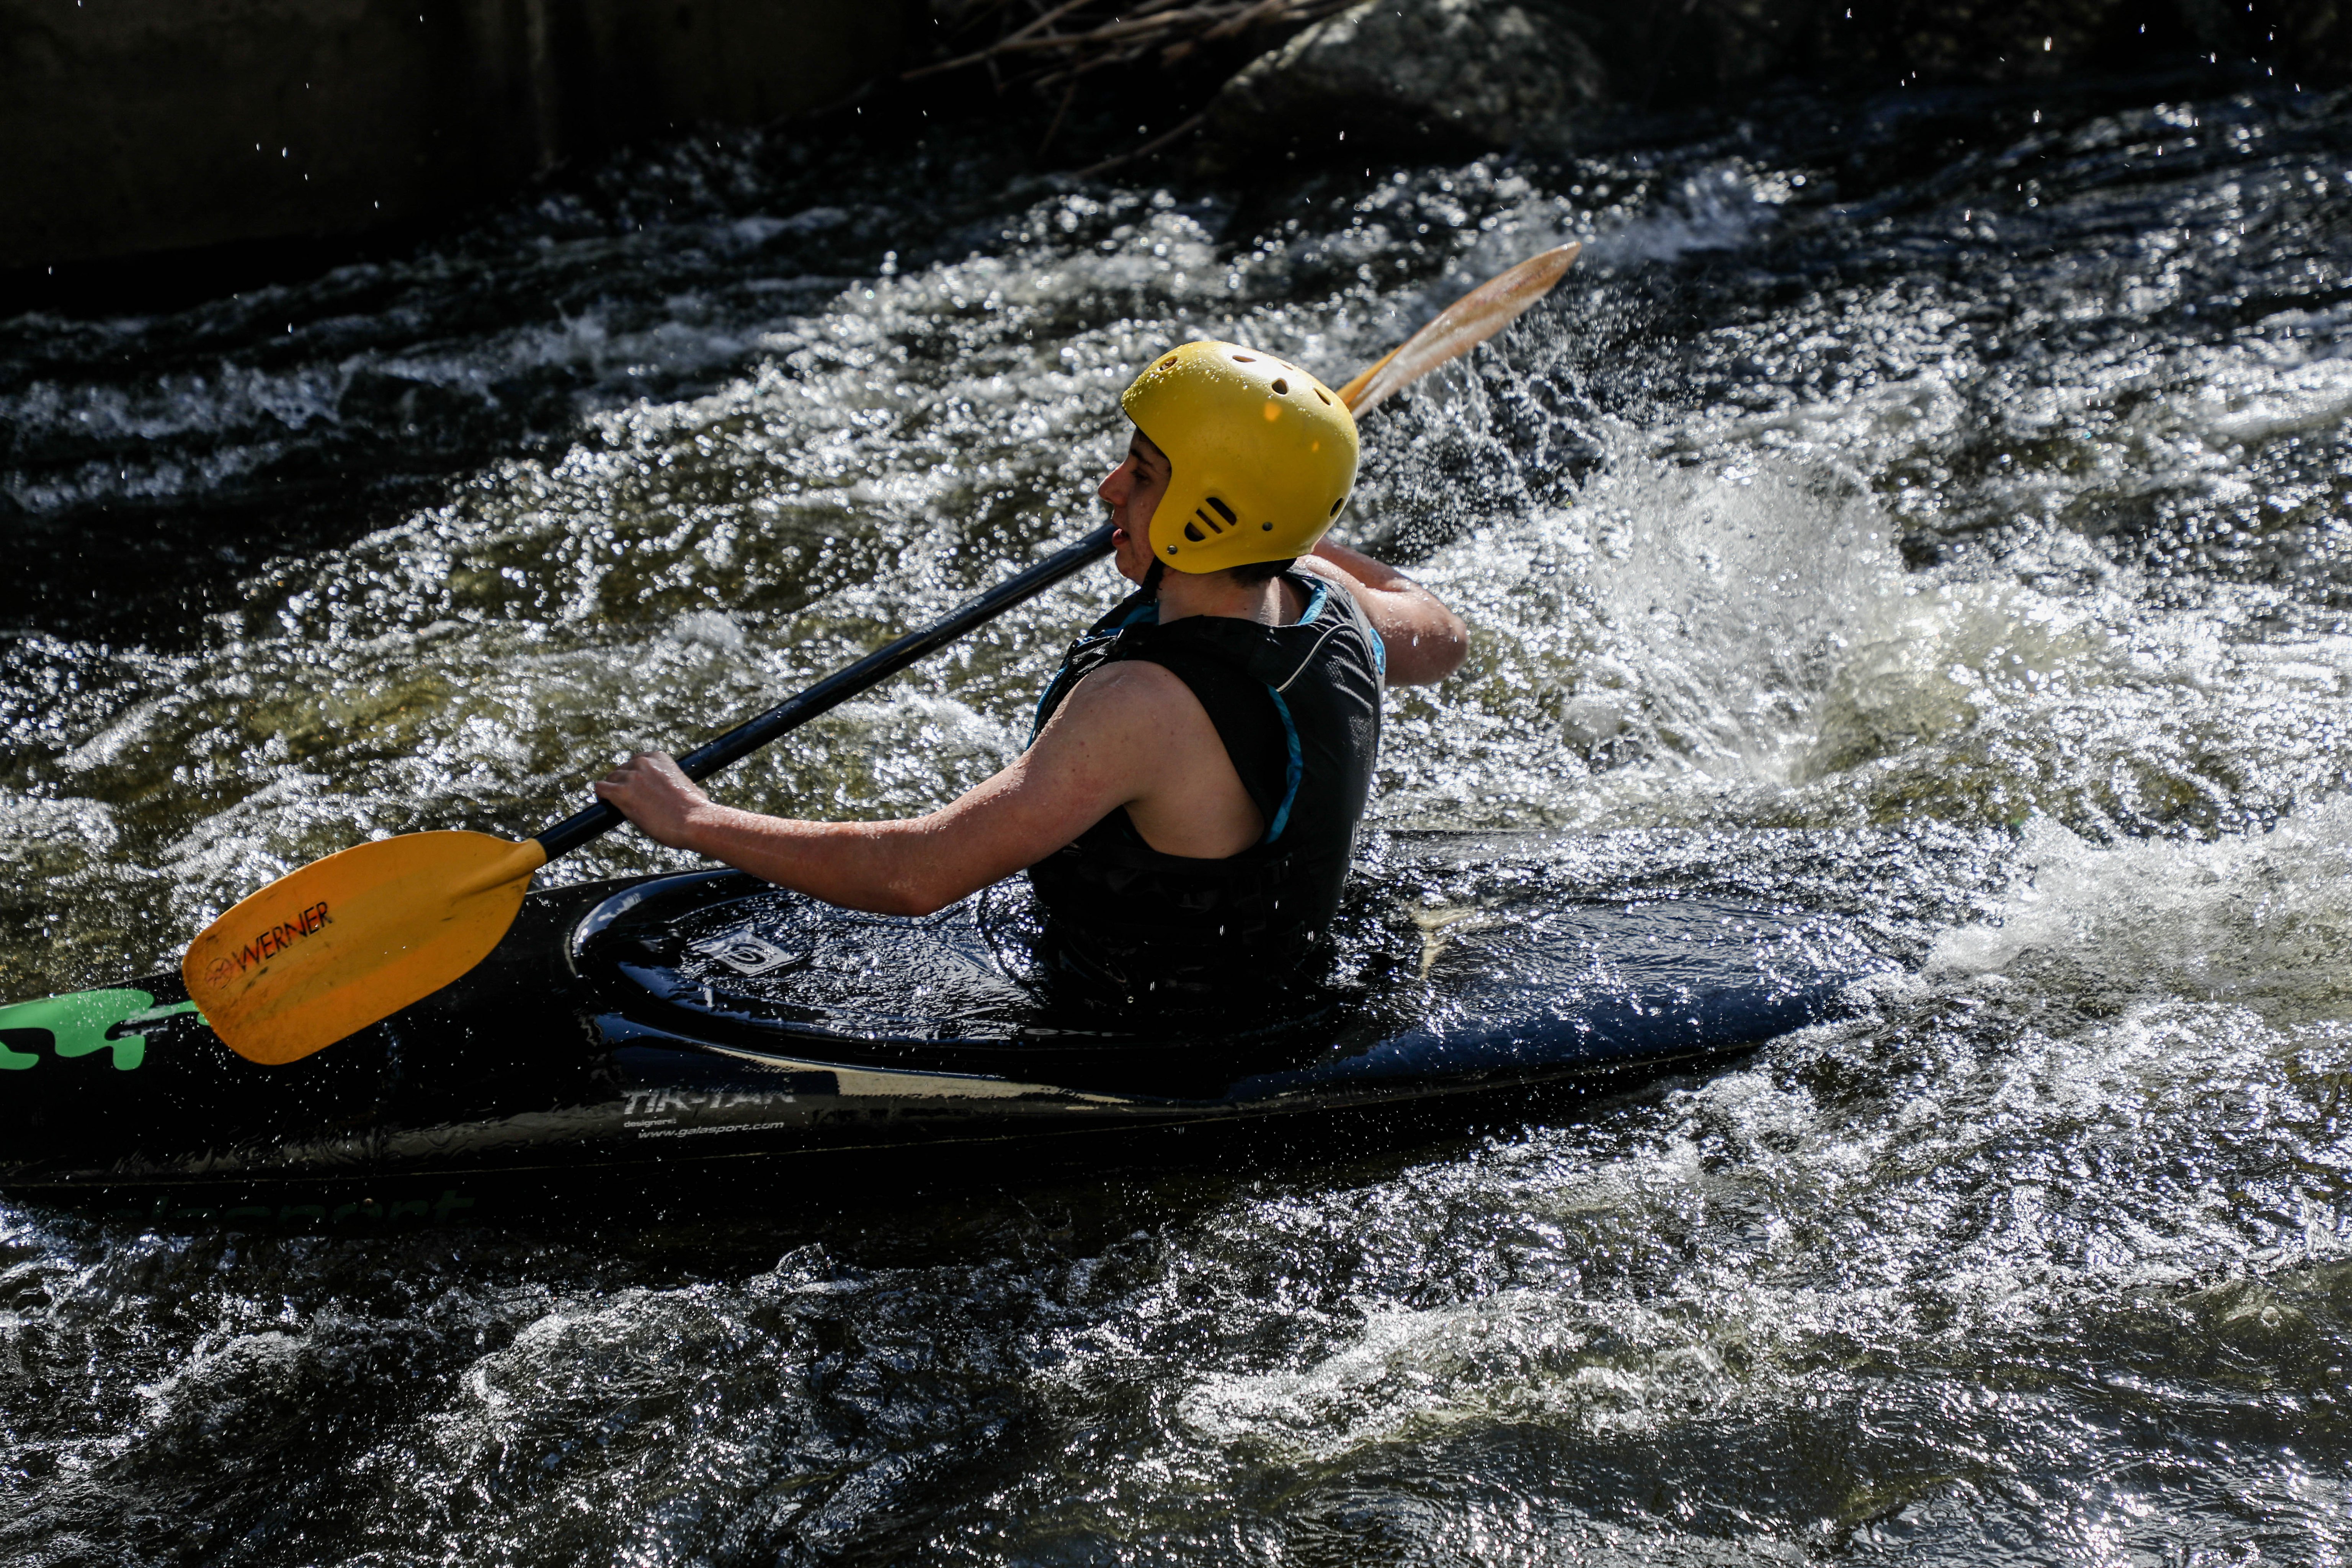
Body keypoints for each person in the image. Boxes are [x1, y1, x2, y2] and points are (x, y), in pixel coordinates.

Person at [595, 340, 1468, 1007]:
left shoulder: (1142, 706)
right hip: (1279, 959)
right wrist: (1287, 522)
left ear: (1213, 515)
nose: (1109, 487)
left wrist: (697, 819)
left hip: (1158, 1020)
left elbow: (917, 875)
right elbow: (1441, 632)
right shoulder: (1327, 598)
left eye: (1146, 473)